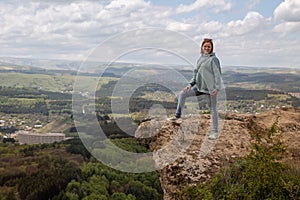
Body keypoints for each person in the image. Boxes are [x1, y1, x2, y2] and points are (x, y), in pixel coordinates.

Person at [168, 38, 223, 140]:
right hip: (199, 87)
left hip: (210, 90)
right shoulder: (200, 58)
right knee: (182, 94)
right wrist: (190, 84)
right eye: (205, 46)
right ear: (202, 47)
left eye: (208, 46)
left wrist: (216, 88)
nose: (206, 48)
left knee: (213, 109)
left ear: (211, 48)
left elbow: (218, 75)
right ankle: (177, 115)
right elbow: (196, 73)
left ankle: (214, 132)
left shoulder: (213, 59)